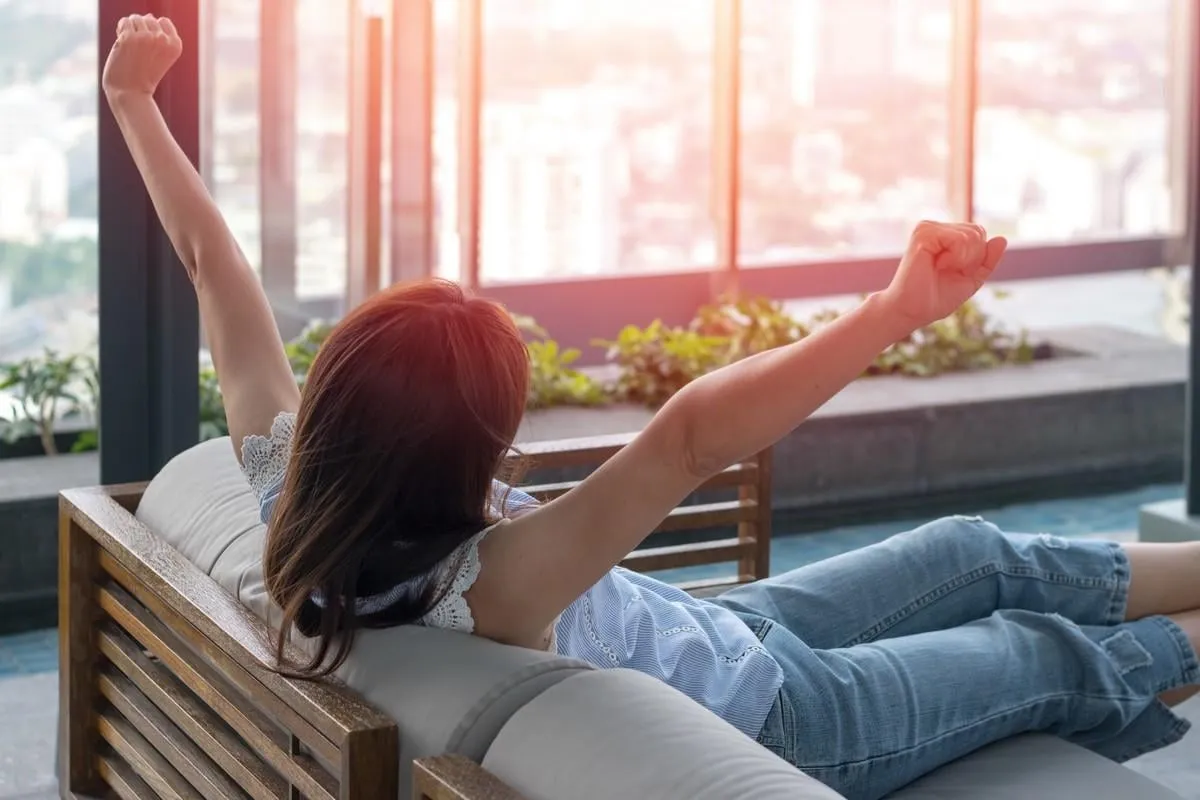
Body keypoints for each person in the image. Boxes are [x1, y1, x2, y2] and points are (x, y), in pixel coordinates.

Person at [102, 16, 1200, 800]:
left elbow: (210, 266)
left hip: (728, 636)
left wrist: (135, 103)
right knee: (1042, 647)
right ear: (466, 447)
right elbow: (685, 438)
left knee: (970, 547)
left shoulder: (292, 488)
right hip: (789, 720)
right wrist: (893, 308)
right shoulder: (489, 585)